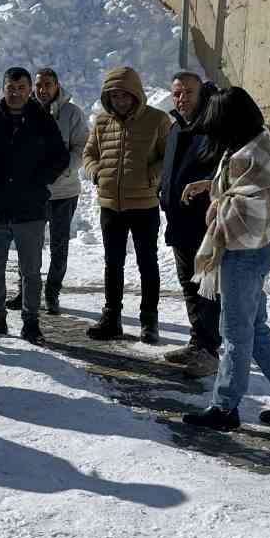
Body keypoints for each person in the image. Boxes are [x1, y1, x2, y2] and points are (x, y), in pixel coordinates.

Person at [181, 87, 270, 431]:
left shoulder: (251, 157)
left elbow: (251, 207)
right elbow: (238, 189)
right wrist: (210, 188)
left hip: (243, 253)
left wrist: (216, 207)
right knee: (254, 331)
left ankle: (225, 408)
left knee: (236, 334)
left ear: (230, 122)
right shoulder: (249, 148)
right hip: (251, 252)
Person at [0, 67, 69, 344]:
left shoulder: (41, 118)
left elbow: (60, 156)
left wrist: (40, 183)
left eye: (21, 88)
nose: (16, 93)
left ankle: (31, 322)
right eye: (11, 87)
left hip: (30, 209)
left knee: (30, 271)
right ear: (3, 88)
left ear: (29, 89)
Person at [81, 65, 170, 344]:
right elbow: (88, 153)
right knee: (113, 262)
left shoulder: (157, 120)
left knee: (147, 262)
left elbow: (168, 157)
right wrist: (95, 171)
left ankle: (149, 320)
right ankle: (112, 318)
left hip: (143, 204)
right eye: (114, 96)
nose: (119, 101)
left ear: (136, 94)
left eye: (124, 96)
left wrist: (149, 176)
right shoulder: (102, 122)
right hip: (110, 204)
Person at [5, 67, 88, 316]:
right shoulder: (22, 111)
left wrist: (63, 172)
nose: (43, 90)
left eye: (48, 84)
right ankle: (25, 291)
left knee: (59, 246)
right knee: (28, 244)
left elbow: (81, 148)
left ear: (57, 86)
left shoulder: (72, 113)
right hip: (32, 193)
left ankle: (52, 293)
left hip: (63, 192)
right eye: (39, 85)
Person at [156, 71, 223, 376]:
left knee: (207, 290)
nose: (181, 99)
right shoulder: (176, 128)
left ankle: (209, 351)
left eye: (188, 93)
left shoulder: (213, 129)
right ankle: (197, 343)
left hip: (204, 225)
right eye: (177, 94)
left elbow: (224, 176)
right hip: (178, 223)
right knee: (188, 287)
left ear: (202, 95)